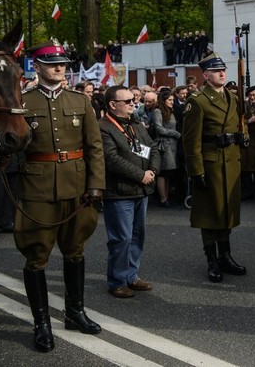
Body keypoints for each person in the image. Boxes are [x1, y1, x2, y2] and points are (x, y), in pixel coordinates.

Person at [16, 40, 105, 352]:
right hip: (37, 189)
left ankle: (74, 312)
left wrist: (96, 185)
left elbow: (95, 147)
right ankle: (41, 322)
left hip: (78, 188)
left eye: (63, 64)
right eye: (52, 64)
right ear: (38, 67)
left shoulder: (80, 101)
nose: (59, 68)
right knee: (36, 257)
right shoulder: (22, 101)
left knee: (75, 251)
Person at [182, 53, 246, 283]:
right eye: (216, 70)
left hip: (231, 161)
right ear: (206, 75)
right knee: (210, 214)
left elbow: (241, 122)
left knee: (226, 212)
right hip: (211, 164)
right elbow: (191, 141)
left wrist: (244, 136)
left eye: (223, 70)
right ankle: (212, 259)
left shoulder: (233, 97)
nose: (221, 73)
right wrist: (196, 170)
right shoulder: (198, 101)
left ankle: (225, 255)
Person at [98, 86, 161, 298]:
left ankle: (131, 276)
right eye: (127, 101)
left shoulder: (135, 123)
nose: (133, 103)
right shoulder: (103, 127)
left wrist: (152, 171)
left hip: (140, 190)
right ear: (112, 105)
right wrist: (140, 175)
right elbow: (112, 159)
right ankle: (117, 281)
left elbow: (152, 147)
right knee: (121, 238)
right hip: (119, 192)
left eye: (133, 100)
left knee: (137, 236)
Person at [153, 90, 182, 208]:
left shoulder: (171, 111)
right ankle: (163, 198)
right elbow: (159, 128)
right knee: (162, 172)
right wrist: (175, 134)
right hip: (164, 145)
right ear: (163, 100)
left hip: (172, 145)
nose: (172, 102)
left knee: (168, 172)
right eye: (169, 100)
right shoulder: (158, 111)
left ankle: (166, 197)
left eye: (172, 100)